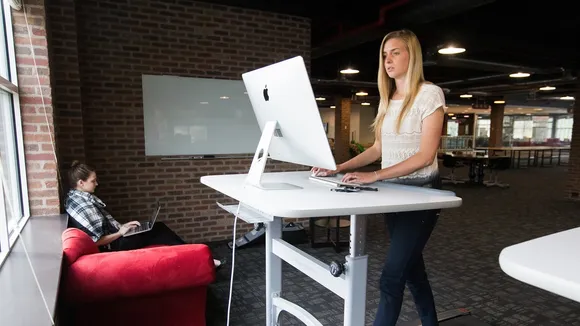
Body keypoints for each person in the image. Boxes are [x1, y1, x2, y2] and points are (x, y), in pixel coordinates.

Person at [312, 29, 445, 326]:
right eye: (385, 54)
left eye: (395, 52)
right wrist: (339, 167)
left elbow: (425, 156)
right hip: (393, 193)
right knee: (412, 269)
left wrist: (375, 176)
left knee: (392, 276)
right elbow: (378, 149)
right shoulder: (388, 98)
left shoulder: (429, 94)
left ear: (413, 55)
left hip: (422, 194)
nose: (388, 59)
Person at [65, 161, 224, 268]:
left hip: (116, 238)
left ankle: (197, 255)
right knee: (159, 229)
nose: (97, 183)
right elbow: (97, 240)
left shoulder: (76, 198)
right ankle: (201, 258)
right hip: (114, 246)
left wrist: (123, 227)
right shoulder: (83, 205)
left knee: (154, 228)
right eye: (93, 181)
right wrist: (121, 232)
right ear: (81, 182)